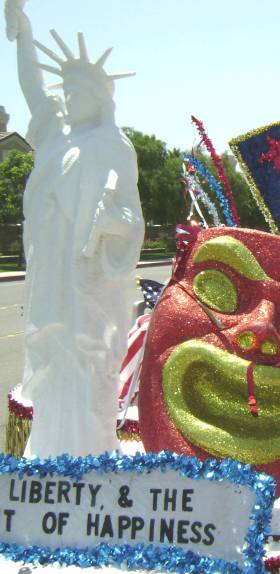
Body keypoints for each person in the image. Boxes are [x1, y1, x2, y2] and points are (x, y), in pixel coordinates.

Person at [6, 0, 144, 457]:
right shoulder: (56, 136)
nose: (68, 99)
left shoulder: (114, 146)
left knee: (89, 363)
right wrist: (21, 29)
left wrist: (110, 223)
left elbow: (131, 218)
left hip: (90, 280)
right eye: (66, 92)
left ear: (101, 98)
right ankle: (48, 448)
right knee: (50, 357)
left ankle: (89, 449)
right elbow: (31, 85)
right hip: (52, 273)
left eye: (78, 93)